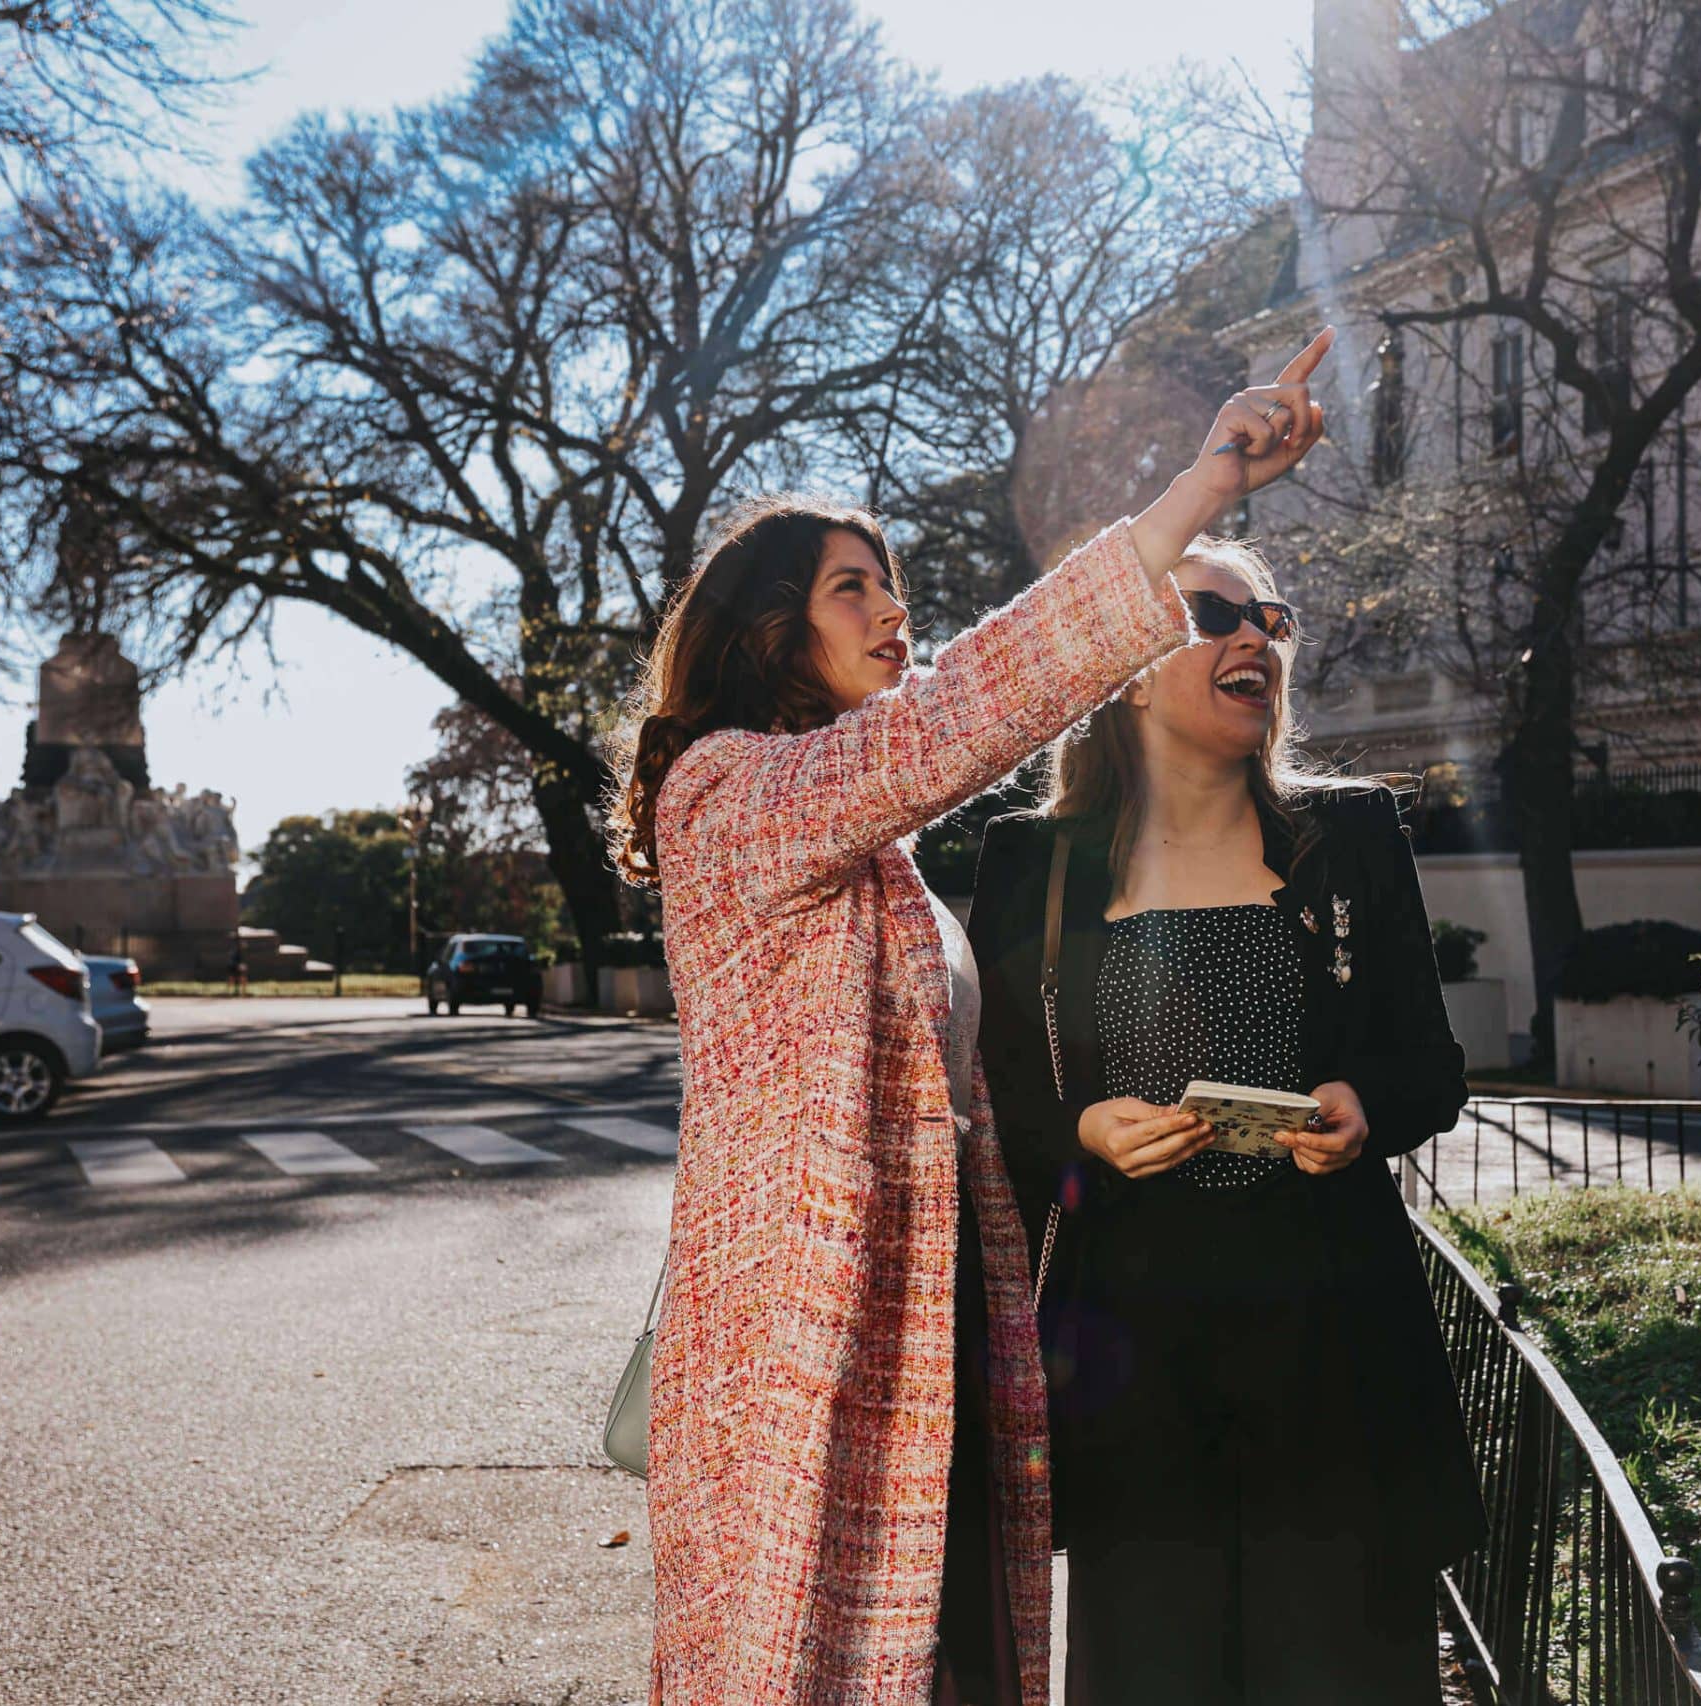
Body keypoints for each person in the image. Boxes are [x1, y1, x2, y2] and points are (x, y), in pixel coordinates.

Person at [602, 329, 1334, 1706]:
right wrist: (1198, 491)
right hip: (806, 1335)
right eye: (852, 587)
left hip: (922, 1318)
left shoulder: (867, 841)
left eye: (893, 582)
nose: (893, 609)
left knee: (948, 1661)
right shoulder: (724, 791)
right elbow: (958, 717)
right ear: (768, 630)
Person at [968, 536, 1485, 1706]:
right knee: (1151, 1671)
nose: (1255, 634)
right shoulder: (1034, 858)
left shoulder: (1350, 833)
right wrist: (1085, 1129)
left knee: (1343, 1673)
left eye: (1271, 617)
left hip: (1334, 1346)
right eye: (1213, 613)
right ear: (1125, 668)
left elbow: (1431, 1067)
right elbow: (998, 1098)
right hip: (1130, 1361)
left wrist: (1364, 1105)